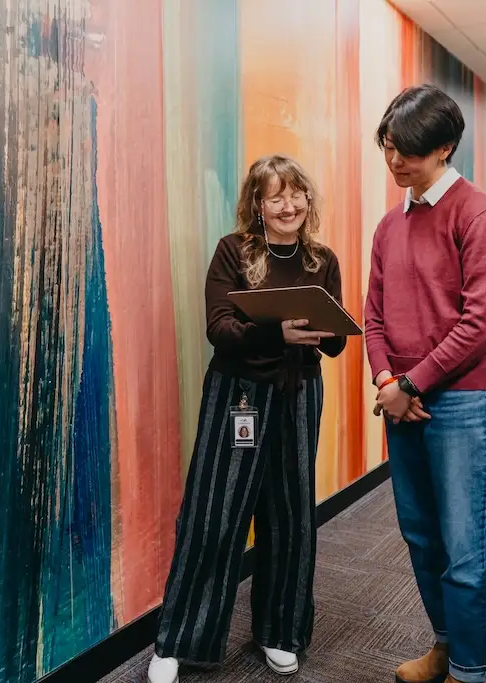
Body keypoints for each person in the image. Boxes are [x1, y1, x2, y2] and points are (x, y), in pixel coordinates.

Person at [148, 154, 348, 683]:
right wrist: (273, 333)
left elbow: (333, 347)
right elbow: (219, 328)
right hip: (238, 395)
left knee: (291, 518)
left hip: (298, 394)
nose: (289, 206)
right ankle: (178, 641)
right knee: (213, 516)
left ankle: (280, 633)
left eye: (296, 194)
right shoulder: (232, 252)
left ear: (308, 199)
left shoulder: (321, 260)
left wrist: (328, 331)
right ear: (257, 205)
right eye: (276, 196)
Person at [363, 84, 486, 683]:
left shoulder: (478, 215)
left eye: (410, 154)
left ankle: (473, 672)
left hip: (466, 403)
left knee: (468, 549)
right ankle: (448, 645)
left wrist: (412, 385)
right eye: (390, 148)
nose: (397, 162)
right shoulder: (388, 226)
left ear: (445, 147)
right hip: (405, 399)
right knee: (423, 538)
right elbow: (372, 314)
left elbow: (478, 325)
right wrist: (386, 380)